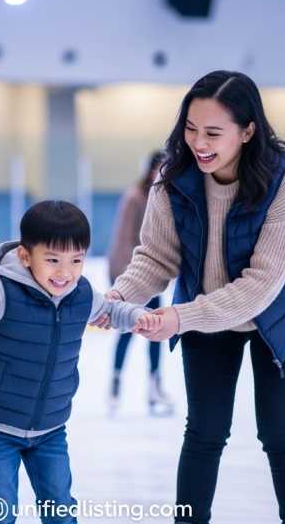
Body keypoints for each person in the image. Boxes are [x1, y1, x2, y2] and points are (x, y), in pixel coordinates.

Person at [102, 71, 285, 524]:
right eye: (190, 128)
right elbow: (157, 257)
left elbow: (262, 284)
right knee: (204, 432)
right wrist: (118, 298)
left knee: (280, 431)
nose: (198, 143)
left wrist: (180, 317)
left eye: (213, 133)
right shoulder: (174, 177)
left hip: (280, 314)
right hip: (206, 312)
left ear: (247, 131)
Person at [0, 200, 161, 524]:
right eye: (52, 260)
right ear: (26, 256)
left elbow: (111, 310)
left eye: (76, 260)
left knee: (61, 511)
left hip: (51, 428)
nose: (65, 272)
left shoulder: (81, 295)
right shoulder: (1, 292)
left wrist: (140, 316)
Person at [107, 150, 173, 416]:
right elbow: (123, 240)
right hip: (134, 275)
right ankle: (115, 383)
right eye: (157, 168)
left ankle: (155, 386)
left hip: (150, 276)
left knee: (156, 330)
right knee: (126, 331)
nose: (160, 174)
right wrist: (126, 283)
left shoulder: (163, 198)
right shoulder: (135, 198)